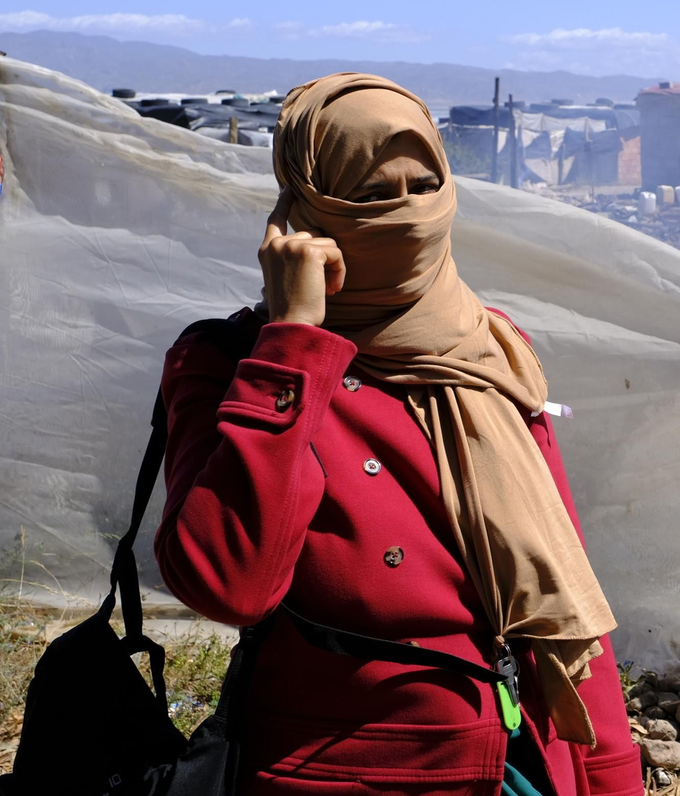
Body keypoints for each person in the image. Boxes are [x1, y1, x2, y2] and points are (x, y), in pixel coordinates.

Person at [154, 73, 641, 796]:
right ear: (306, 207)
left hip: (520, 763)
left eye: (425, 184)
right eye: (374, 193)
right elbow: (229, 584)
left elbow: (562, 590)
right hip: (336, 775)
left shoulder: (488, 350)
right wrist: (294, 341)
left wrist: (610, 777)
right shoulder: (233, 363)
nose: (409, 210)